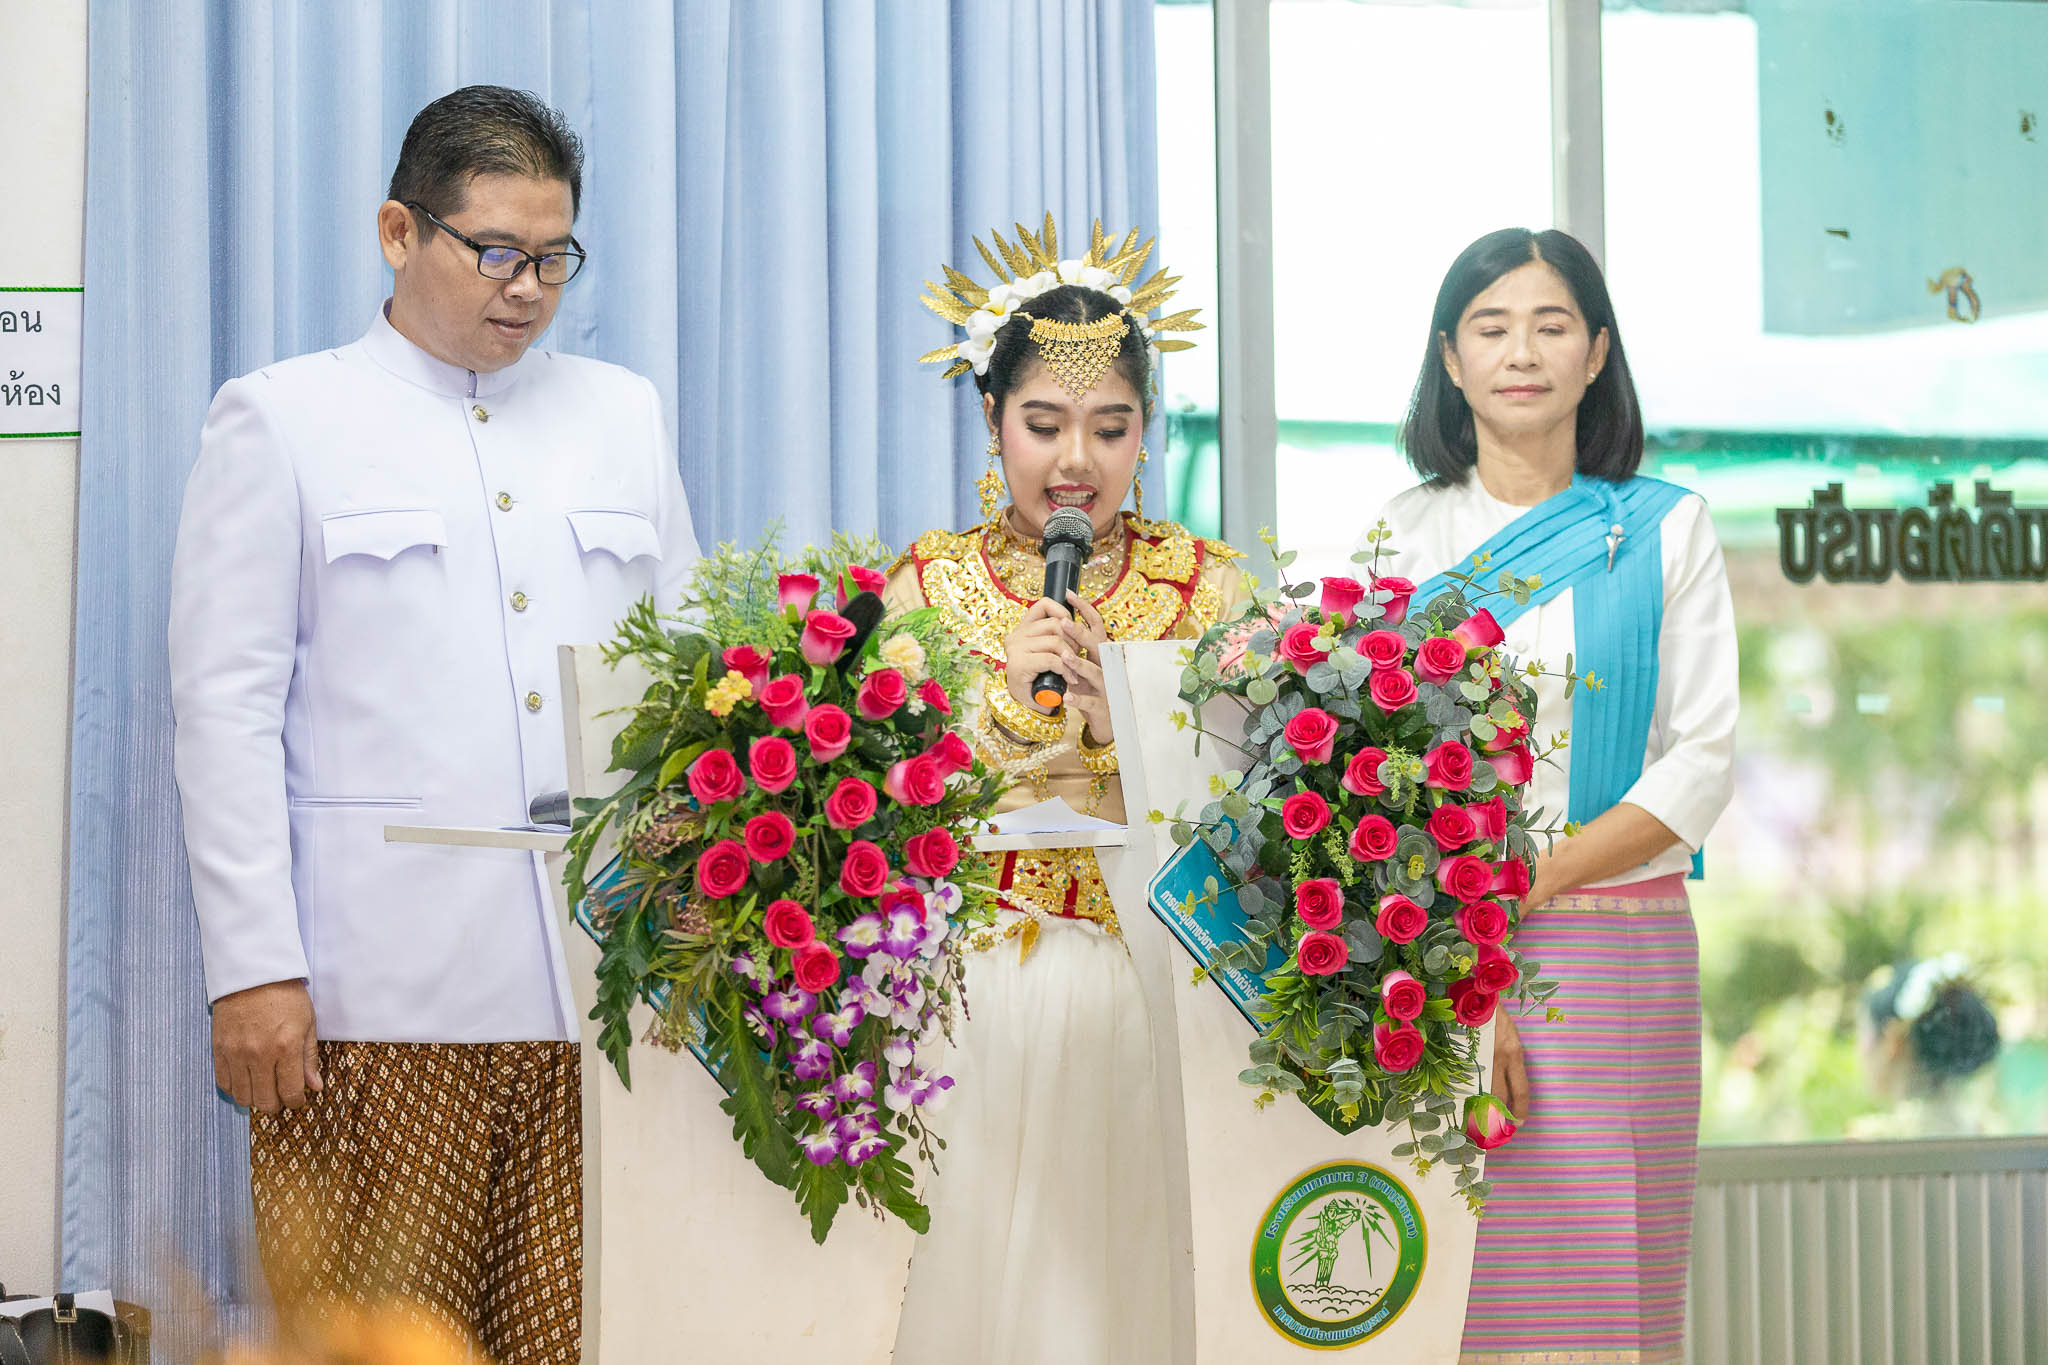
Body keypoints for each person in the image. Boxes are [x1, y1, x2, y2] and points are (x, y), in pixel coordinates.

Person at [168, 86, 699, 1361]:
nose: (528, 290)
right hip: (369, 1002)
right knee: (375, 1337)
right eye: (496, 252)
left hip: (592, 998)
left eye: (554, 259)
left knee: (577, 1339)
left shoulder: (620, 413)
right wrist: (253, 968)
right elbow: (224, 710)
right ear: (399, 232)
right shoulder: (284, 417)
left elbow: (689, 683)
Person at [1362, 228, 1736, 1365]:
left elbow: (1701, 759)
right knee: (1453, 1293)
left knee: (1608, 1297)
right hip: (1435, 957)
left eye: (1550, 325)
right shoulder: (1396, 536)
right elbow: (1366, 771)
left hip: (1618, 951)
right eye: (1491, 327)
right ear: (1450, 358)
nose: (1520, 352)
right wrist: (1462, 955)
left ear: (1595, 354)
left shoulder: (1669, 526)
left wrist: (1523, 882)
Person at [886, 220, 1242, 1365]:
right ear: (992, 418)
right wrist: (998, 711)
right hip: (967, 1001)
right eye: (1042, 425)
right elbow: (882, 808)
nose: (1074, 459)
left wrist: (1119, 737)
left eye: (1109, 427)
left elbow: (1246, 815)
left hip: (1155, 1001)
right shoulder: (923, 587)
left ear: (1147, 430)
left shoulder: (1210, 591)